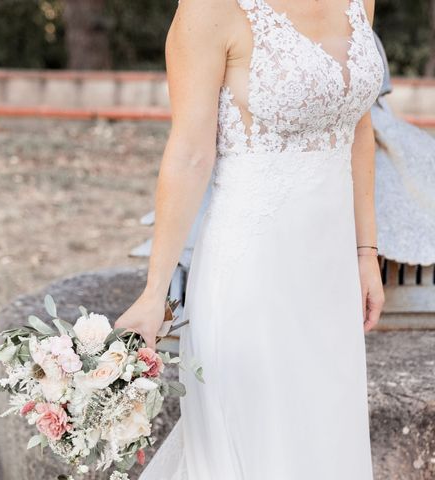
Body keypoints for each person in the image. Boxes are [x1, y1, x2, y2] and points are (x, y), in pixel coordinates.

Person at [114, 0, 386, 478]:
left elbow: (359, 126)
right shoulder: (209, 9)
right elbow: (189, 154)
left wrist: (366, 253)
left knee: (326, 440)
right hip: (251, 276)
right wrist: (154, 293)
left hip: (330, 277)